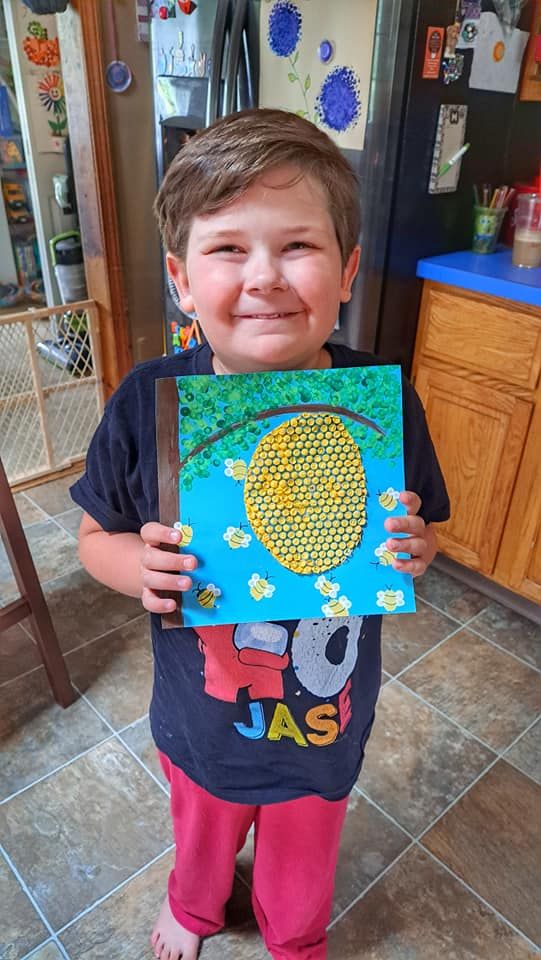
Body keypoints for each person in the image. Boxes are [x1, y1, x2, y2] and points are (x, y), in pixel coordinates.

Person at [71, 108, 449, 960]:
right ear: (180, 277)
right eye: (228, 248)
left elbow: (421, 531)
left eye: (299, 246)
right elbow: (95, 535)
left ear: (348, 268)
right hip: (200, 715)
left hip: (329, 715)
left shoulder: (380, 406)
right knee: (201, 830)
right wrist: (135, 565)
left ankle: (296, 934)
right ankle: (194, 909)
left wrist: (418, 549)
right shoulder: (148, 401)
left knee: (305, 846)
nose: (266, 276)